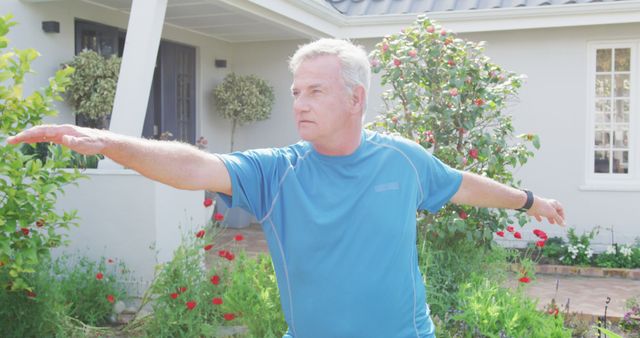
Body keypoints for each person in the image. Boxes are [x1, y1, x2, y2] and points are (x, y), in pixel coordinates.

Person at [8, 38, 564, 338]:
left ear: (355, 99)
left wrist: (531, 201)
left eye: (315, 91)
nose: (299, 102)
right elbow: (195, 166)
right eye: (296, 91)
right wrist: (108, 142)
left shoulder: (403, 161)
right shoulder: (277, 170)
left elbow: (460, 184)